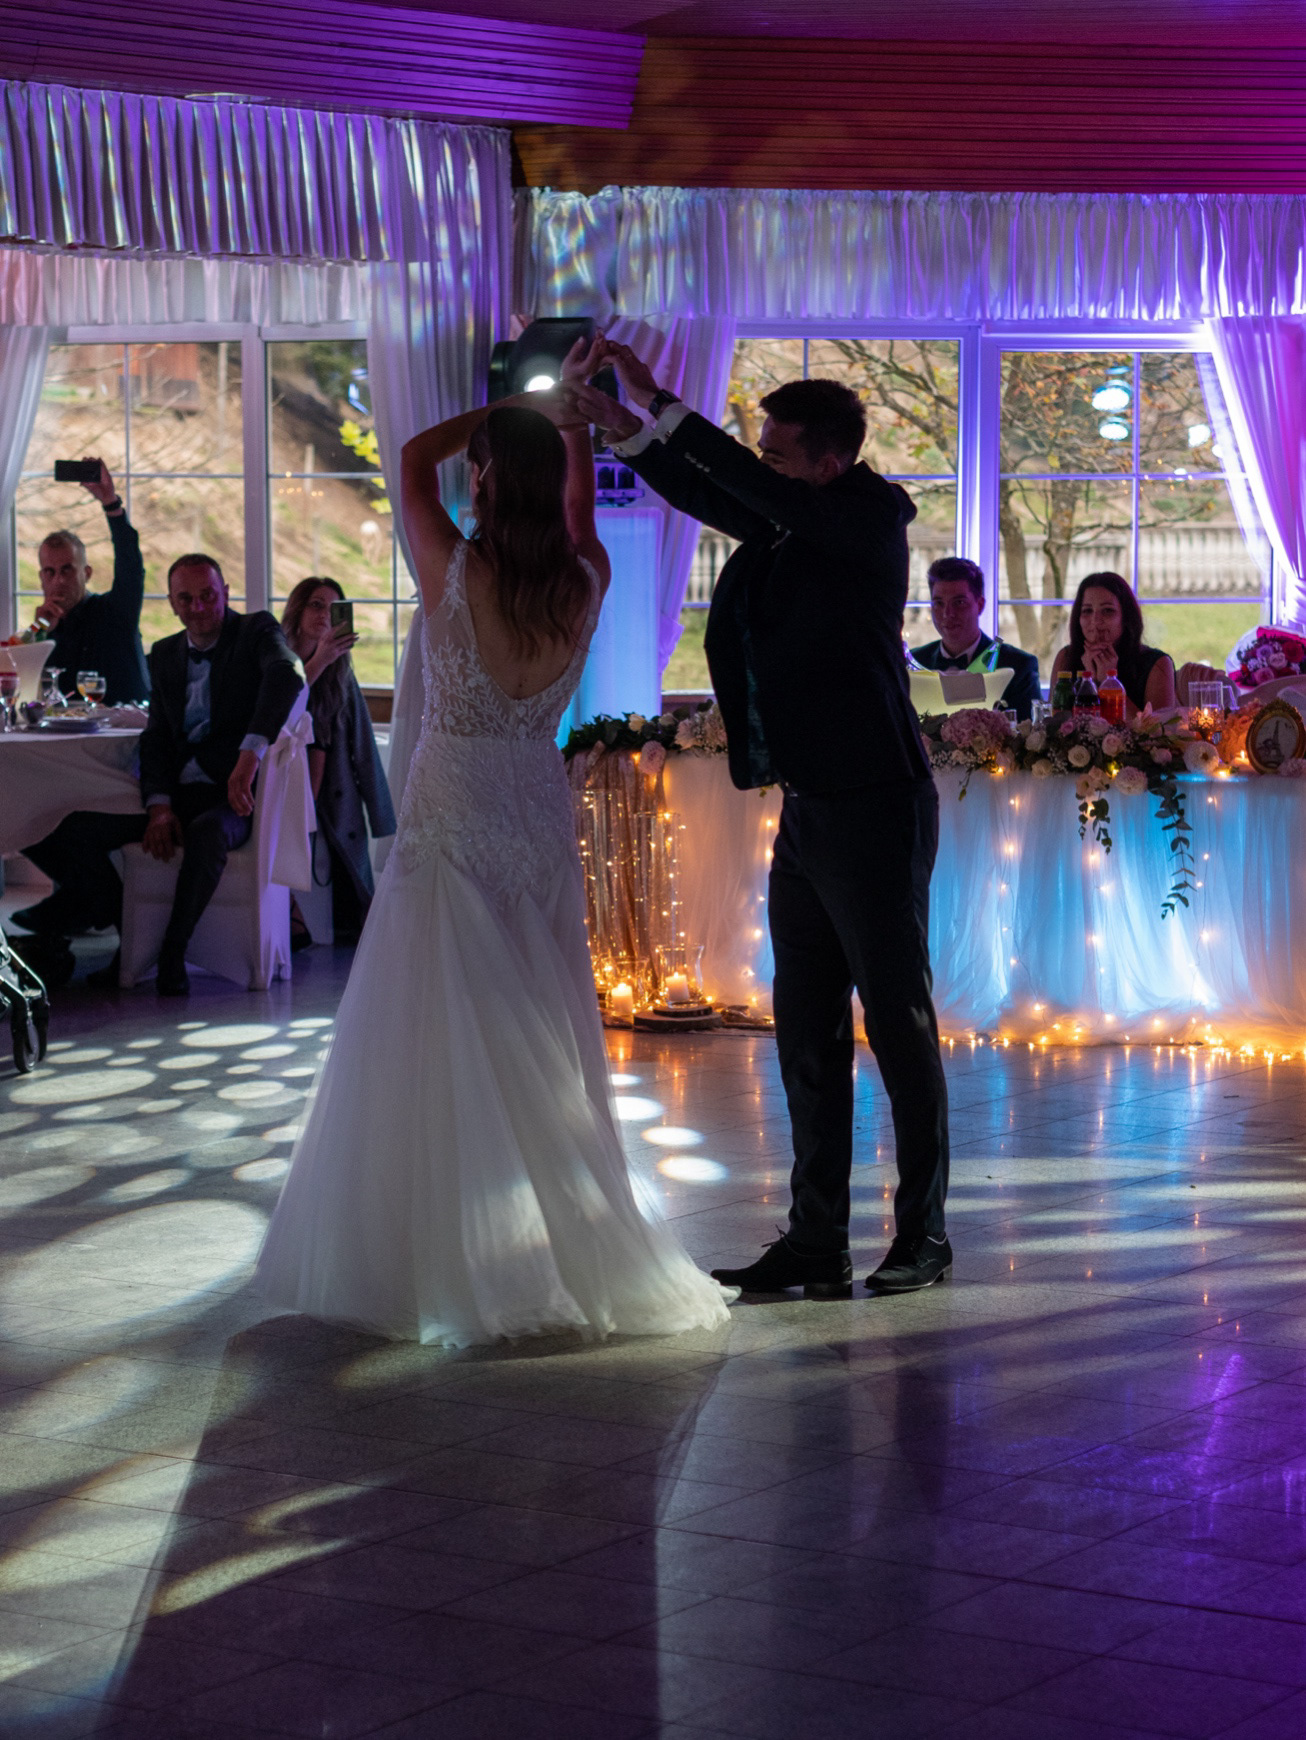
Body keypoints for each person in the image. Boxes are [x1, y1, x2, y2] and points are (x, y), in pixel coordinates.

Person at [257, 354, 731, 1346]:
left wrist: (522, 404)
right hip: (532, 808)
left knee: (429, 1028)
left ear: (483, 476)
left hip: (456, 805)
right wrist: (570, 428)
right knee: (538, 1020)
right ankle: (543, 1239)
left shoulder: (455, 569)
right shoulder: (585, 578)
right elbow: (578, 514)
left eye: (478, 468)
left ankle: (429, 1253)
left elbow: (408, 459)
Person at [573, 346, 951, 1298]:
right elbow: (721, 495)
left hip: (877, 803)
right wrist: (628, 434)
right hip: (811, 808)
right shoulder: (794, 521)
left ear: (829, 462)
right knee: (805, 1034)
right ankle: (817, 1243)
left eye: (779, 451)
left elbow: (747, 484)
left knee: (898, 1026)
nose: (765, 463)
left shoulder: (865, 518)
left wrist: (657, 401)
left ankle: (924, 1237)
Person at [20, 555, 304, 995]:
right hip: (177, 794)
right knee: (64, 828)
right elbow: (156, 739)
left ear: (226, 593)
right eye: (185, 599)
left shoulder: (255, 631)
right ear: (172, 604)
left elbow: (288, 673)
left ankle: (172, 951)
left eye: (208, 595)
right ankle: (126, 938)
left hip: (231, 793)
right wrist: (159, 806)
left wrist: (250, 754)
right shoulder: (166, 653)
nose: (197, 607)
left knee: (208, 833)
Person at [280, 577, 396, 941]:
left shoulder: (342, 673)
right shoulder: (278, 659)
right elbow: (280, 706)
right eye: (316, 605)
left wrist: (380, 817)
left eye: (334, 610)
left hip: (333, 783)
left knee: (349, 892)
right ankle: (293, 914)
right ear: (298, 610)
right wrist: (320, 659)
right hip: (280, 779)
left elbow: (364, 747)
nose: (324, 615)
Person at [33, 458, 150, 704]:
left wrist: (110, 503)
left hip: (122, 726)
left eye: (67, 570)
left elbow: (130, 567)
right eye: (50, 572)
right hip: (62, 727)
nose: (59, 580)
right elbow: (20, 682)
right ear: (42, 578)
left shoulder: (115, 611)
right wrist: (39, 631)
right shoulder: (43, 629)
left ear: (86, 573)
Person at [911, 556, 1042, 720]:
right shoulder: (913, 663)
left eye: (959, 603)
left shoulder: (1019, 666)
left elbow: (1028, 731)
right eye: (939, 603)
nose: (947, 614)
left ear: (980, 605)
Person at [1049, 571, 1177, 717]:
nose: (1096, 621)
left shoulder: (1158, 664)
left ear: (1126, 617)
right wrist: (1090, 682)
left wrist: (1108, 683)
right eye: (1087, 611)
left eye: (1107, 611)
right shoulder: (1065, 657)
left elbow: (1160, 728)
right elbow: (1054, 723)